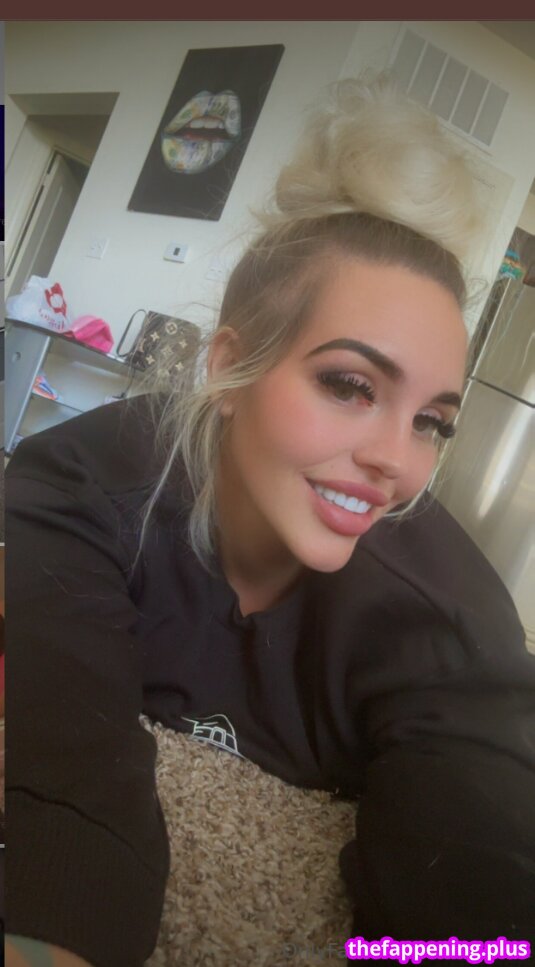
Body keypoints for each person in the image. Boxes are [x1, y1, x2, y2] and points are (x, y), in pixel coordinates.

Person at [6, 75, 535, 967]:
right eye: (349, 385)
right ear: (228, 367)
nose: (395, 460)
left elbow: (476, 879)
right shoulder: (80, 483)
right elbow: (68, 784)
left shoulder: (446, 617)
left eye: (431, 422)